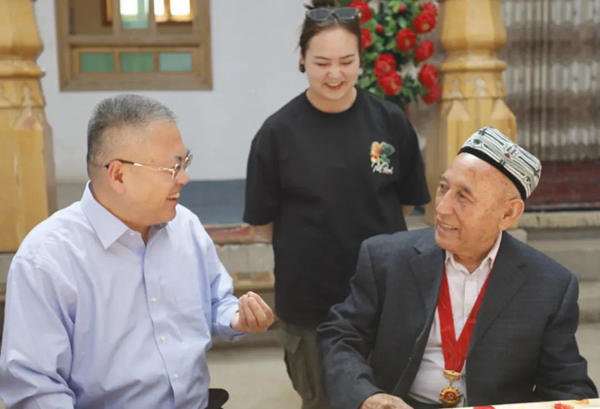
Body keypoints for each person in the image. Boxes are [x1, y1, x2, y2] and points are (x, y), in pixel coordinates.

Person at [0, 95, 274, 409]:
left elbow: (217, 300)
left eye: (185, 163)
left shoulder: (185, 227)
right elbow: (35, 389)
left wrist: (237, 318)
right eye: (172, 168)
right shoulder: (48, 259)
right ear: (118, 175)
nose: (185, 178)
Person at [318, 127, 598, 409]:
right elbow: (341, 337)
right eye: (443, 188)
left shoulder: (549, 285)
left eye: (463, 196)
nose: (441, 208)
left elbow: (568, 386)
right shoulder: (387, 258)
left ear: (508, 213)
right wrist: (367, 396)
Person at [243, 1, 430, 408]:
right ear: (302, 59)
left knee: (390, 400)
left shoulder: (390, 122)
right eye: (321, 62)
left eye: (346, 61)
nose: (334, 74)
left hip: (385, 298)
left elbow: (404, 203)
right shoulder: (277, 133)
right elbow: (263, 224)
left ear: (361, 59)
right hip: (310, 305)